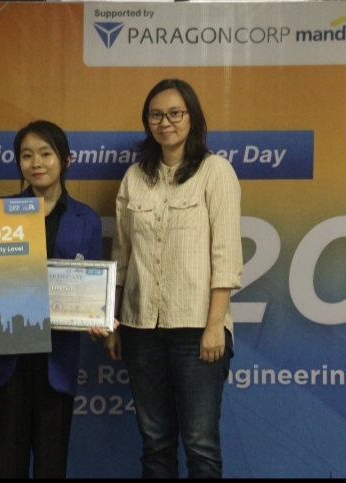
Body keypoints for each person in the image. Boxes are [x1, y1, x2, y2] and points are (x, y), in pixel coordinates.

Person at [103, 79, 242, 478]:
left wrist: (215, 326)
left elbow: (226, 257)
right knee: (155, 445)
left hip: (197, 330)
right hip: (140, 330)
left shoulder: (216, 171)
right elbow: (121, 256)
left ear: (192, 117)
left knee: (200, 445)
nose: (165, 122)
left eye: (175, 113)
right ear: (147, 122)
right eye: (156, 115)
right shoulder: (134, 177)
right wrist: (112, 322)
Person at [0, 120, 103, 478]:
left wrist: (98, 317)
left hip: (55, 364)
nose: (36, 163)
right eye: (27, 155)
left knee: (51, 467)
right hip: (6, 362)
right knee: (4, 467)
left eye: (46, 154)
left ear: (65, 159)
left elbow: (94, 290)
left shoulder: (87, 220)